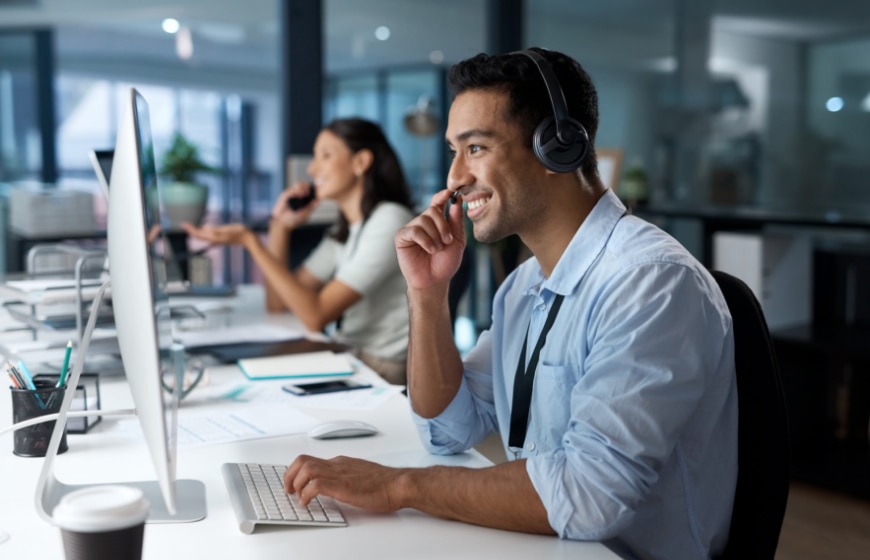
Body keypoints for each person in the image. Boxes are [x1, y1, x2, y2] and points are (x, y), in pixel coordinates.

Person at [282, 48, 738, 559]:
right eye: (454, 150)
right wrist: (428, 294)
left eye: (475, 147)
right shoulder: (523, 287)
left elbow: (589, 495)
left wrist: (399, 487)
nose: (454, 177)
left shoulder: (650, 283)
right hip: (543, 543)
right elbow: (448, 428)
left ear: (556, 148)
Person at [182, 117, 415, 384]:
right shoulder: (346, 228)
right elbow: (279, 303)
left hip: (380, 367)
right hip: (351, 355)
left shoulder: (389, 220)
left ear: (360, 162)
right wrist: (280, 227)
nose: (313, 169)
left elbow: (315, 315)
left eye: (325, 156)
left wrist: (251, 241)